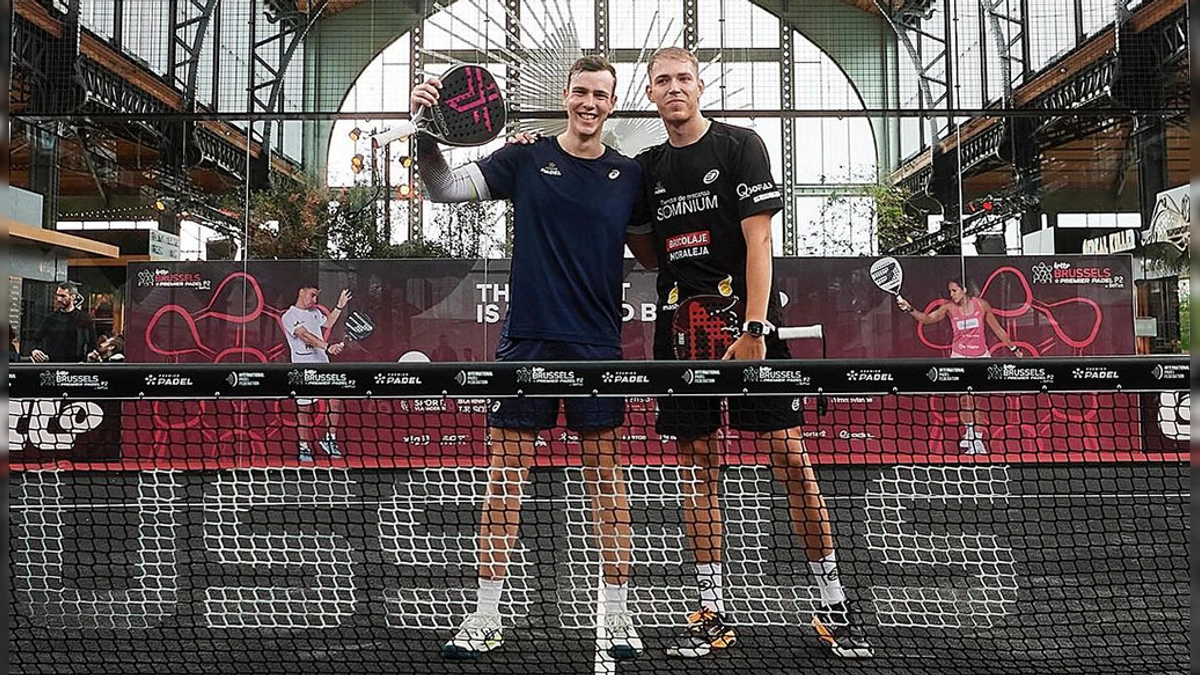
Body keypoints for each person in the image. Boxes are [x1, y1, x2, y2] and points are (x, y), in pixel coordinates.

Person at [626, 47, 873, 659]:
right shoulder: (646, 167)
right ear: (651, 95)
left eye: (684, 77)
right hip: (681, 333)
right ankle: (710, 610)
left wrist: (757, 328)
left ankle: (833, 604)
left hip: (752, 323)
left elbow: (759, 241)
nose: (674, 88)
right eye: (663, 81)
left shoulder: (741, 146)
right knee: (699, 469)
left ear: (700, 85)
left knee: (790, 460)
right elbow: (649, 255)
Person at [412, 55, 644, 661]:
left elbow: (666, 242)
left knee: (607, 488)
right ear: (564, 96)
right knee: (502, 487)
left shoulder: (630, 174)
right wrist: (425, 131)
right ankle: (485, 616)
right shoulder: (526, 158)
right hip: (528, 343)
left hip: (598, 348)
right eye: (580, 92)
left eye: (600, 94)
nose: (589, 103)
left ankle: (615, 618)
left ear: (611, 103)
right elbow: (442, 189)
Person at [897, 279, 1021, 454]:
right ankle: (969, 434)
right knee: (964, 399)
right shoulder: (949, 308)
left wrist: (1013, 348)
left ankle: (978, 439)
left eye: (954, 290)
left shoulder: (981, 305)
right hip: (959, 358)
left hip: (981, 358)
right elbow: (928, 319)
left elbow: (998, 329)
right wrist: (909, 308)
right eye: (950, 291)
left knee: (978, 400)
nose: (951, 294)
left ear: (964, 290)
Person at [281, 283, 352, 462]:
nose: (314, 300)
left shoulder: (314, 312)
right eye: (312, 295)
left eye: (316, 297)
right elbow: (304, 335)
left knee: (334, 401)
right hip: (302, 369)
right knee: (304, 409)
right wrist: (327, 347)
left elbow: (327, 323)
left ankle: (329, 439)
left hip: (322, 366)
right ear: (301, 291)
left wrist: (339, 306)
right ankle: (304, 447)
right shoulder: (289, 316)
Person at [28, 282, 98, 363]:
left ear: (73, 297)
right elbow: (35, 339)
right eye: (57, 295)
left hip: (76, 366)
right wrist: (35, 350)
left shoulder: (84, 318)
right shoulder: (51, 318)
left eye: (63, 296)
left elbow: (93, 344)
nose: (59, 299)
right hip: (53, 365)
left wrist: (90, 356)